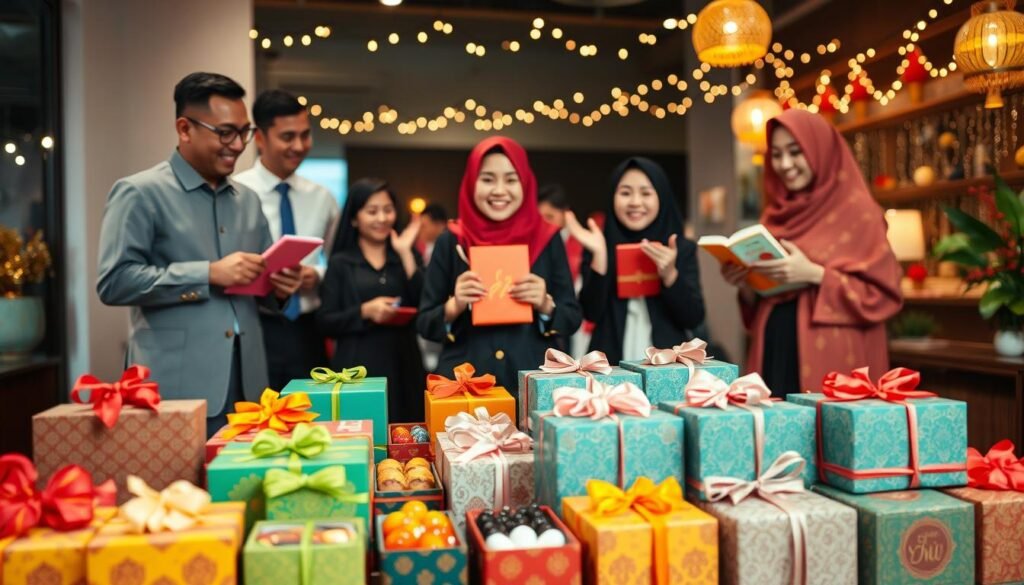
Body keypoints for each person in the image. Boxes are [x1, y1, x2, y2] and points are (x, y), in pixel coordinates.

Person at [97, 72, 301, 434]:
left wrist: (279, 288)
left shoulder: (249, 202)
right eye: (225, 132)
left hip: (250, 384)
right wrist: (207, 273)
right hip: (176, 385)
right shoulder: (139, 192)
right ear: (184, 128)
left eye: (244, 132)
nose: (238, 145)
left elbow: (261, 290)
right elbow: (114, 282)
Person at [721, 109, 902, 395]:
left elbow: (883, 297)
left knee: (825, 434)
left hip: (834, 358)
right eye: (777, 155)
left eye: (795, 152)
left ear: (820, 151)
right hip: (774, 350)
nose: (785, 164)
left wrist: (815, 274)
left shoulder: (859, 213)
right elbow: (762, 302)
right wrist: (745, 284)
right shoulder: (775, 214)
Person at [417, 136, 582, 391]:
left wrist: (545, 303)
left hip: (531, 382)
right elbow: (425, 324)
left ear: (525, 183)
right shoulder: (452, 240)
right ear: (471, 182)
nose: (499, 190)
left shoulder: (547, 238)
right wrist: (455, 304)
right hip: (465, 383)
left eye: (511, 179)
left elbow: (571, 319)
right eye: (487, 179)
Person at [234, 89, 340, 391]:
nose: (299, 146)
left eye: (305, 135)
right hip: (252, 325)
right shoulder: (236, 193)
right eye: (288, 137)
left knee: (314, 420)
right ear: (260, 138)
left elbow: (340, 263)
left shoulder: (322, 197)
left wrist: (315, 275)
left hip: (307, 330)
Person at [565, 157, 705, 363]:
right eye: (625, 193)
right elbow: (590, 313)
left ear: (662, 196)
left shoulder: (680, 248)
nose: (635, 202)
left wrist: (670, 276)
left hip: (667, 364)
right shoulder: (599, 244)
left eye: (646, 193)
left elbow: (694, 317)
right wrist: (600, 259)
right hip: (609, 364)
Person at [318, 178, 426, 422]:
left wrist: (406, 253)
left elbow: (426, 305)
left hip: (404, 363)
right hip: (357, 366)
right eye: (372, 211)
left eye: (388, 210)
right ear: (355, 219)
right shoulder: (341, 263)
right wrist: (364, 311)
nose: (382, 218)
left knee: (406, 433)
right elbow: (325, 321)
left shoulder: (403, 257)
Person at [538, 183, 588, 355]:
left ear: (566, 213)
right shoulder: (538, 245)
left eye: (550, 216)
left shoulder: (583, 241)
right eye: (540, 218)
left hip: (579, 314)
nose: (545, 223)